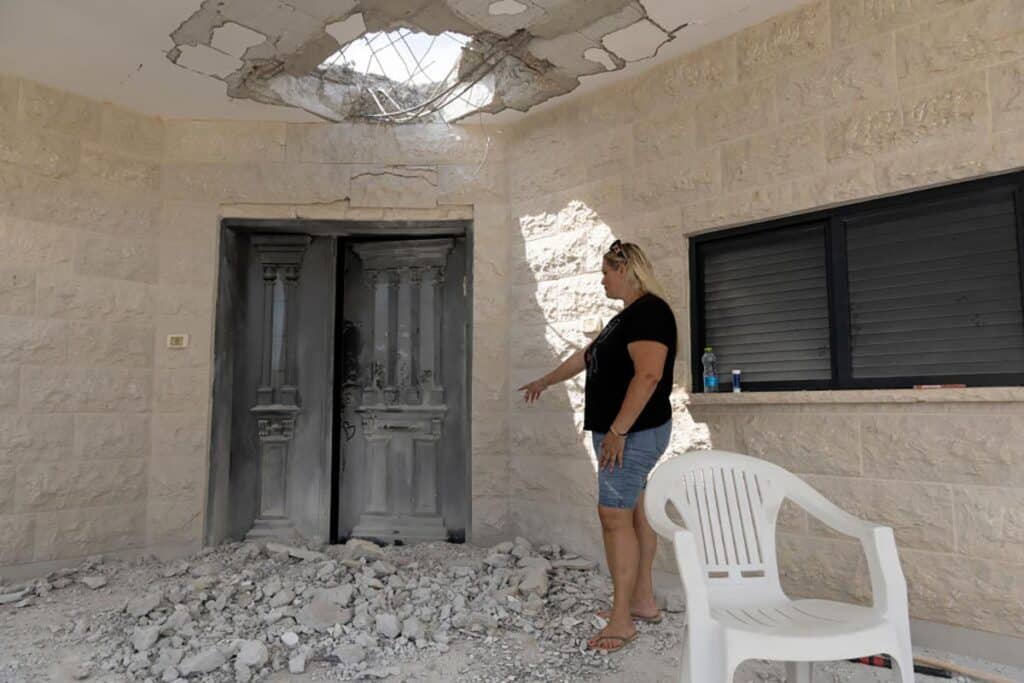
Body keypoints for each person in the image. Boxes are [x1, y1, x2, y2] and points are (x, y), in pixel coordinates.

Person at [518, 239, 677, 653]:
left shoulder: (650, 313)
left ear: (626, 270)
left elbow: (648, 377)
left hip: (631, 435)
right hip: (626, 433)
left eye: (606, 272)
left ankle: (620, 620)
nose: (601, 279)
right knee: (634, 511)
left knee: (613, 516)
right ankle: (642, 601)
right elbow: (585, 357)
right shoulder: (624, 318)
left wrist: (618, 432)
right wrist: (544, 382)